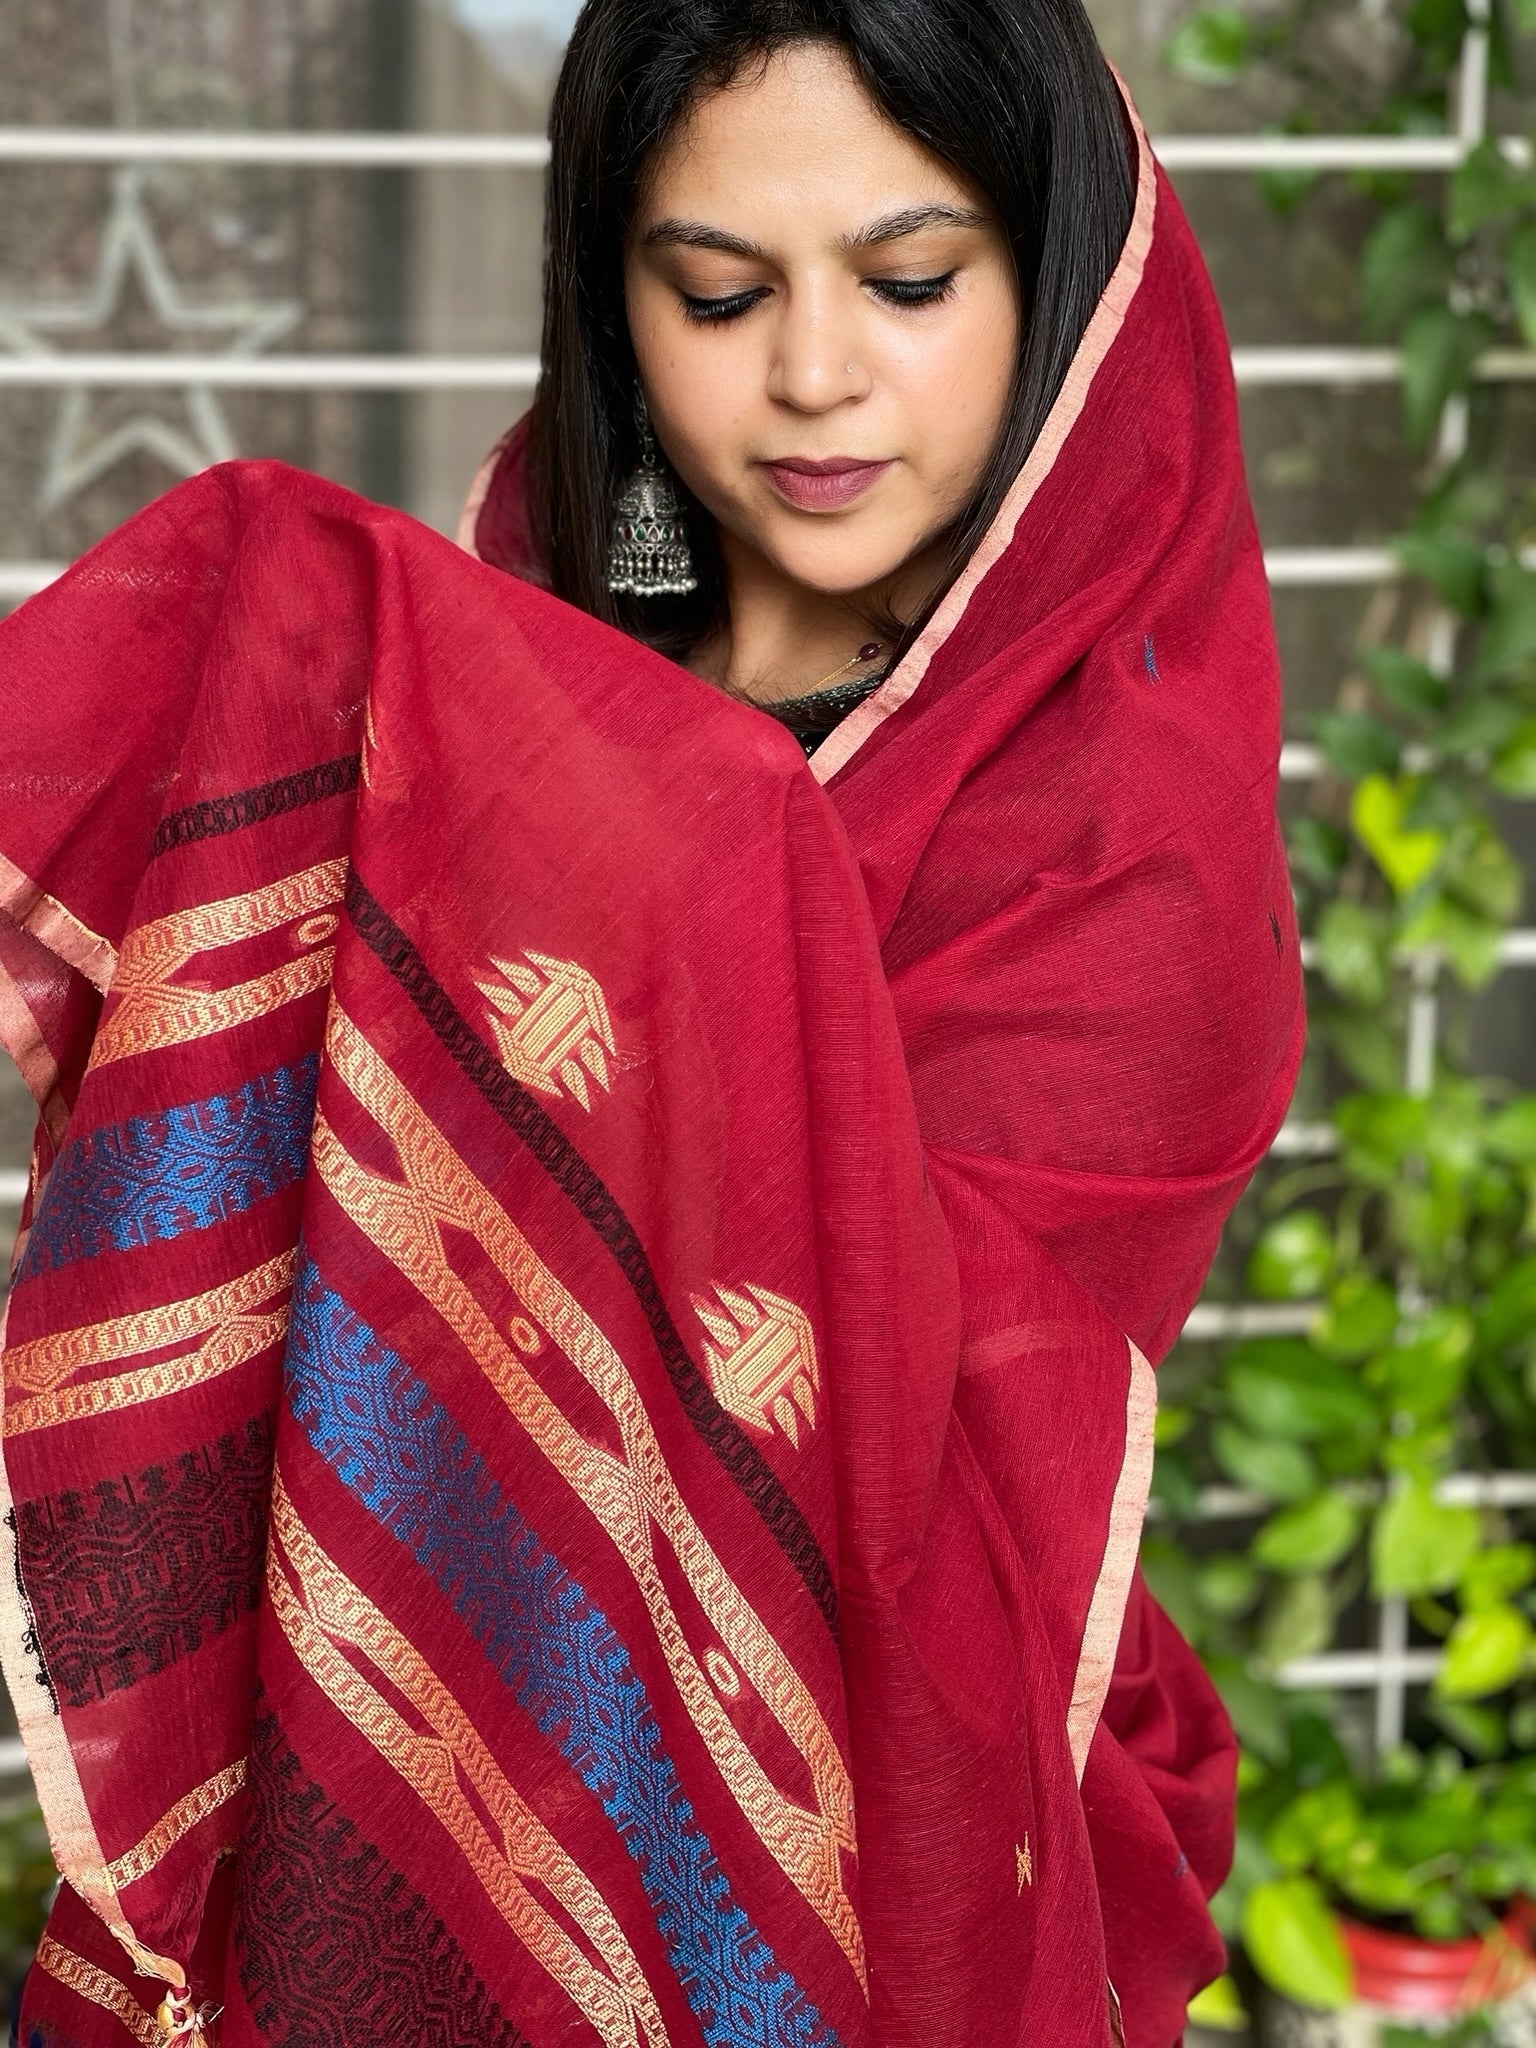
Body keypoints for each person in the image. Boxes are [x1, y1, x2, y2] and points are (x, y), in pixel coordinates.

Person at [0, 3, 1302, 2045]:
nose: (810, 372)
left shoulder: (1121, 843)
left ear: (1054, 278)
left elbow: (911, 1411)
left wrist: (648, 850)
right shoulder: (528, 668)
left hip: (863, 1806)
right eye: (714, 289)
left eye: (908, 279)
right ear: (612, 298)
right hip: (431, 1690)